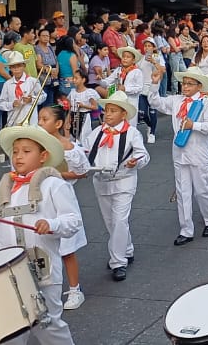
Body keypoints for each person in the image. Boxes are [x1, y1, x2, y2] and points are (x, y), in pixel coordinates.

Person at [0, 126, 79, 345]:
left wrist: (51, 224)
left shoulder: (54, 185)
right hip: (7, 274)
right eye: (16, 151)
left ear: (43, 156)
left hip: (44, 269)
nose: (19, 156)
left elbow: (73, 221)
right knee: (9, 330)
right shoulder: (4, 189)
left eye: (26, 151)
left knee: (48, 325)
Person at [82, 92, 149, 281]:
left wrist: (136, 161)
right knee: (111, 222)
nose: (108, 114)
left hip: (124, 180)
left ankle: (118, 262)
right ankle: (126, 249)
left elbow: (143, 154)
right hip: (101, 182)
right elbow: (86, 153)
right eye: (106, 111)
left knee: (120, 219)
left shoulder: (132, 133)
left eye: (113, 111)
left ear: (123, 114)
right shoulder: (96, 133)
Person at [151, 66, 208, 245]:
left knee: (201, 190)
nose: (186, 87)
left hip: (198, 152)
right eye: (184, 83)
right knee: (182, 192)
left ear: (199, 86)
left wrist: (194, 125)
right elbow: (155, 102)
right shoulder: (176, 101)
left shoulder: (206, 103)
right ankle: (186, 229)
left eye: (190, 84)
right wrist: (154, 83)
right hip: (179, 151)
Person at [38, 105, 90, 311]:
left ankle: (75, 290)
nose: (40, 123)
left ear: (58, 124)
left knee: (66, 248)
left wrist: (55, 174)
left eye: (45, 119)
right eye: (39, 119)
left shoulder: (68, 147)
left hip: (61, 199)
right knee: (41, 246)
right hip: (39, 199)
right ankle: (44, 291)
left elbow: (82, 172)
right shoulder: (35, 145)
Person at [0, 52, 40, 129]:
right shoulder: (7, 84)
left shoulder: (33, 81)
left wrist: (32, 99)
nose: (16, 69)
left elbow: (43, 96)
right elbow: (1, 104)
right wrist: (12, 104)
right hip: (13, 121)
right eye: (13, 67)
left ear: (24, 66)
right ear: (10, 68)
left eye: (19, 66)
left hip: (31, 121)